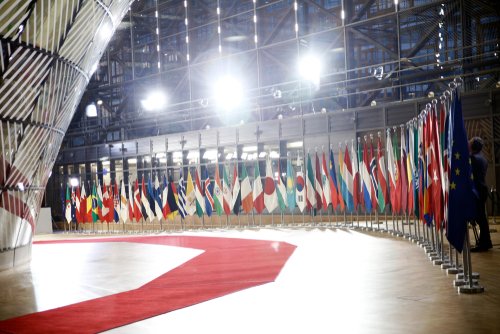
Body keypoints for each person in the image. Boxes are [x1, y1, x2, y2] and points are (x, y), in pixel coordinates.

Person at [469, 137, 493, 252]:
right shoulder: (483, 158)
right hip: (482, 188)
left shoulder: (473, 158)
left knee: (480, 218)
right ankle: (485, 242)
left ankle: (484, 243)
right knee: (481, 218)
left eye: (470, 142)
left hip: (477, 190)